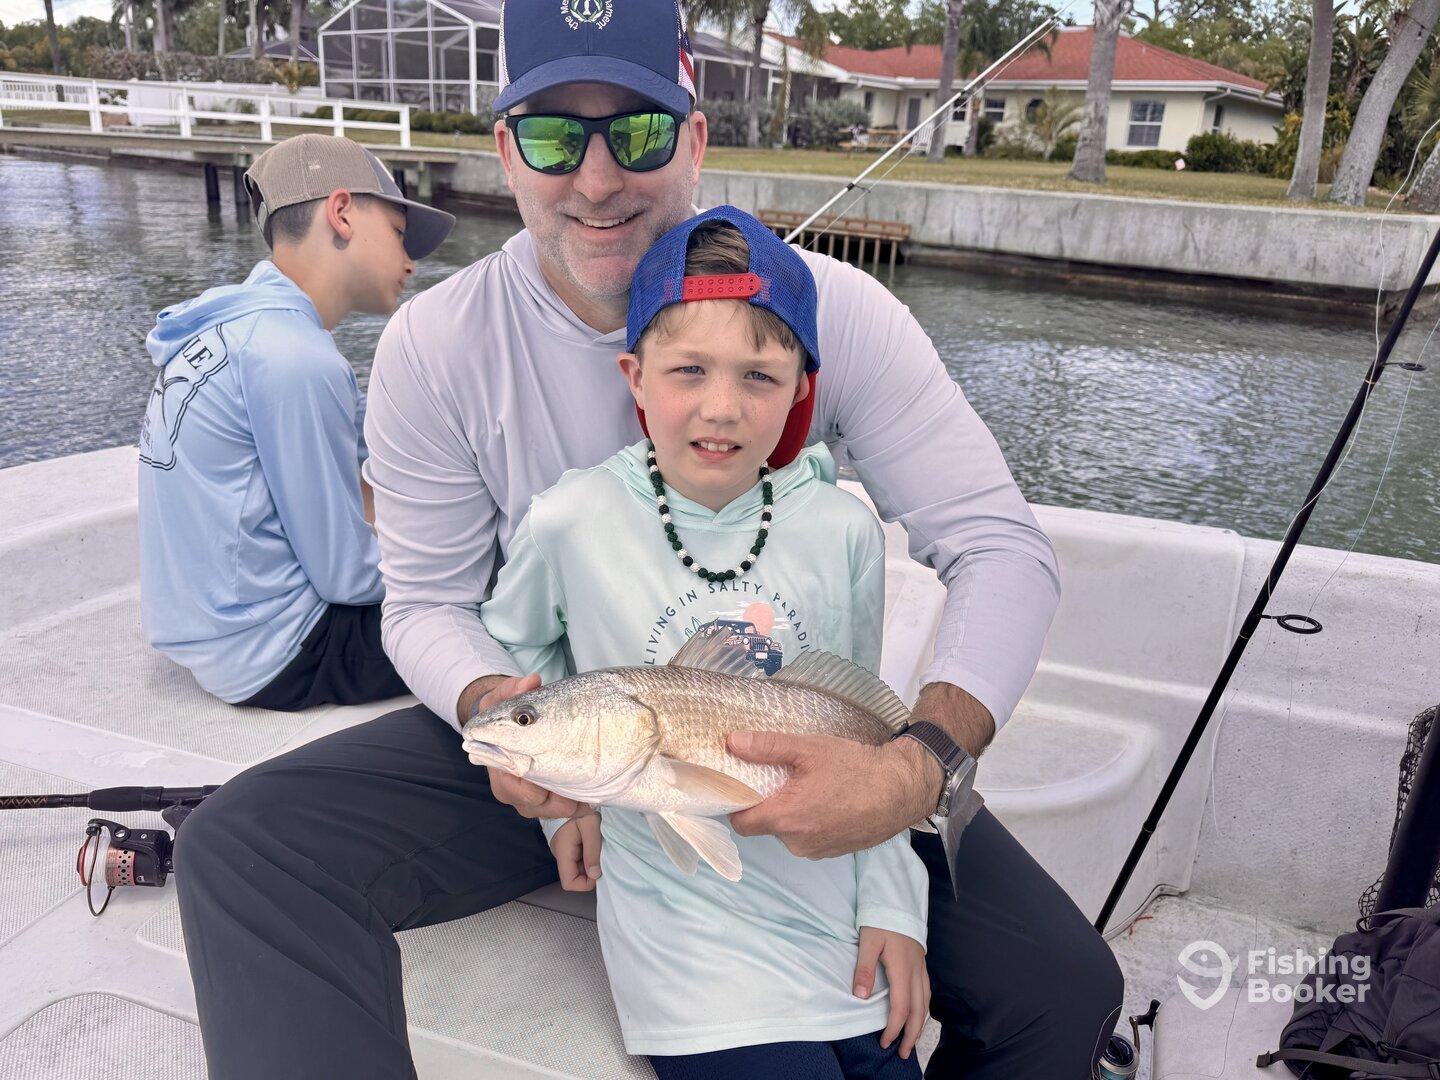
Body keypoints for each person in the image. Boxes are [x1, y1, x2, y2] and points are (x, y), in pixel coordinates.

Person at [173, 0, 1124, 1074]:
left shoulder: (830, 314)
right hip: (553, 720)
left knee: (1066, 992)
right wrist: (502, 716)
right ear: (504, 150)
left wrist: (913, 772)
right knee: (245, 851)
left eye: (635, 131)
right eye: (551, 135)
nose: (594, 180)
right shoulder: (437, 345)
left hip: (764, 722)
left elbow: (1002, 547)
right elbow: (429, 605)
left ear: (696, 137)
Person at [478, 206, 930, 1078]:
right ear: (634, 376)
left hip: (841, 931)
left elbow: (869, 739)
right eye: (688, 369)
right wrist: (565, 807)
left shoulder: (844, 532)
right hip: (693, 973)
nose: (720, 408)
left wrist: (897, 908)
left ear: (802, 389)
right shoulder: (570, 519)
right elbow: (524, 678)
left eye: (758, 376)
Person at [136, 134, 454, 710]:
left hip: (212, 634)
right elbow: (348, 578)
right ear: (342, 213)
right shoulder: (297, 359)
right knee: (505, 601)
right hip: (283, 652)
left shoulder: (226, 330)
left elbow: (352, 493)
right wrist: (462, 570)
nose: (411, 263)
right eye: (399, 235)